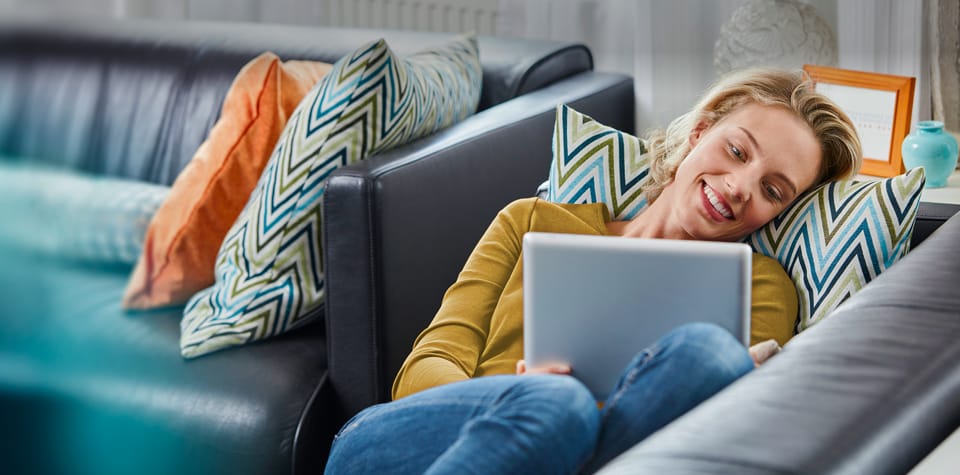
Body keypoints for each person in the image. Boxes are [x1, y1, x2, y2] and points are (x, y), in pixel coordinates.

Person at [324, 68, 862, 475]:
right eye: (737, 150)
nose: (740, 187)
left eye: (772, 190)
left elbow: (719, 433)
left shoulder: (761, 286)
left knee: (710, 355)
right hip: (408, 442)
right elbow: (425, 369)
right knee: (555, 403)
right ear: (699, 133)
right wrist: (516, 399)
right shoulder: (530, 221)